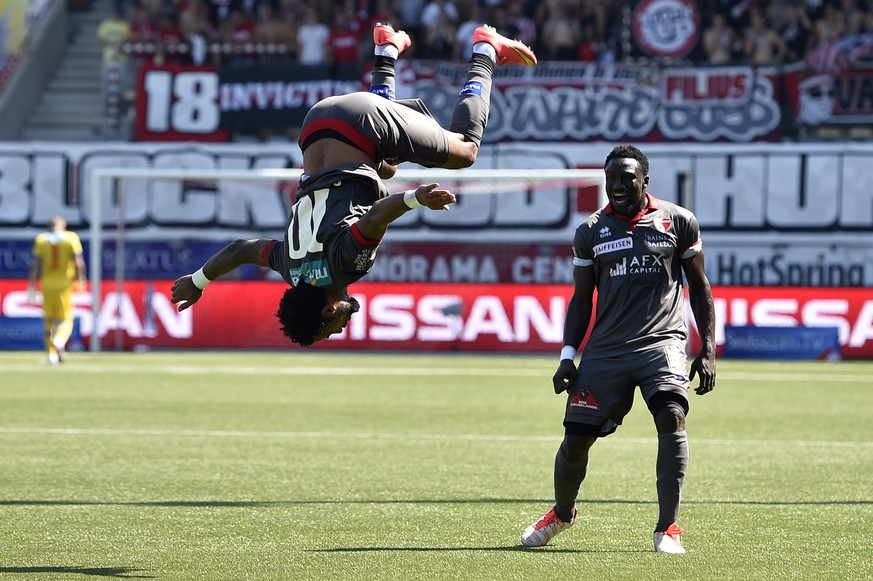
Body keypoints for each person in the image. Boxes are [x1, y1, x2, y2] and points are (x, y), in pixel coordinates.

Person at [170, 23, 537, 347]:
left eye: (331, 328)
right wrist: (199, 280)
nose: (342, 327)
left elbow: (376, 217)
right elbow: (241, 250)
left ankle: (486, 49)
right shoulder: (288, 266)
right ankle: (385, 51)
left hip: (360, 124)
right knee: (386, 167)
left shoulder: (344, 268)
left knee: (465, 150)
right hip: (316, 125)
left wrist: (415, 198)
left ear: (329, 309)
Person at [520, 145, 716, 554]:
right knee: (575, 440)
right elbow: (580, 300)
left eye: (627, 177)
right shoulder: (590, 231)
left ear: (645, 179)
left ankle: (668, 528)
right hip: (606, 351)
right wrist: (567, 356)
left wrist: (709, 347)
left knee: (672, 415)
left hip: (662, 344)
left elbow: (699, 287)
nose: (618, 185)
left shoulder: (678, 222)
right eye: (612, 178)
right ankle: (562, 512)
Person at [27, 216, 87, 365]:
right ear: (63, 226)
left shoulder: (41, 239)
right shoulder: (71, 238)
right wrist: (81, 280)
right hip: (64, 285)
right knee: (66, 318)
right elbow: (78, 262)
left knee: (49, 319)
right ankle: (59, 341)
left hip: (47, 285)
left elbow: (36, 264)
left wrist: (32, 284)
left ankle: (51, 354)